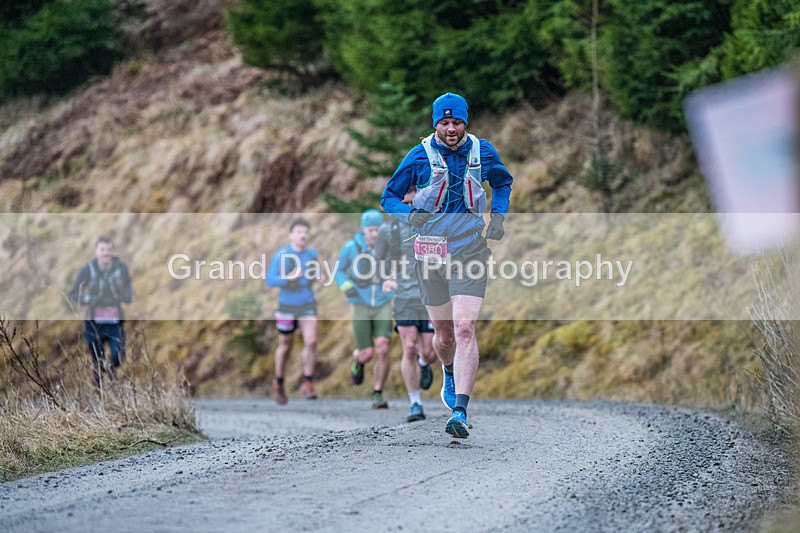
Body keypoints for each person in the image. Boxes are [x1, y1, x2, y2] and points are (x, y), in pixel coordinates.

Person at [380, 92, 512, 438]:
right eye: (445, 122)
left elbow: (502, 182)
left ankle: (460, 411)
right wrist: (410, 214)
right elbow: (388, 196)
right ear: (435, 123)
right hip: (430, 254)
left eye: (456, 122)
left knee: (466, 326)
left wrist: (498, 216)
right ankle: (448, 371)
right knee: (443, 336)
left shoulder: (482, 151)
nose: (451, 129)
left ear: (465, 123)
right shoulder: (419, 155)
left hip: (470, 249)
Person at [375, 188, 437, 423]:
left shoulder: (432, 221)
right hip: (403, 296)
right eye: (406, 195)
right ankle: (415, 403)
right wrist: (385, 279)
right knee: (408, 347)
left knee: (430, 350)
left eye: (414, 194)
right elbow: (378, 261)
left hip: (430, 294)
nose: (409, 199)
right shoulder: (388, 229)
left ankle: (424, 363)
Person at [335, 209, 394, 409]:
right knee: (366, 353)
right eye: (371, 230)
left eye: (378, 230)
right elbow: (339, 271)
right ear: (363, 230)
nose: (375, 234)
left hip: (383, 303)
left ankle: (378, 392)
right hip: (360, 304)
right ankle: (357, 360)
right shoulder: (351, 247)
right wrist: (347, 287)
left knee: (383, 348)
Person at [265, 218, 320, 405]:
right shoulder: (282, 255)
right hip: (287, 305)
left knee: (311, 341)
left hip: (307, 303)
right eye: (299, 231)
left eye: (305, 232)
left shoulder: (312, 254)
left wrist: (318, 275)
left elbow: (315, 274)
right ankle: (278, 382)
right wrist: (289, 278)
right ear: (291, 235)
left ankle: (308, 382)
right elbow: (270, 280)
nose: (303, 235)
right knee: (285, 346)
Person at [68, 236, 132, 390]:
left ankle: (111, 370)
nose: (105, 253)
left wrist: (121, 294)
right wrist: (87, 298)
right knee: (97, 360)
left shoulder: (121, 269)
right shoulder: (87, 269)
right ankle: (101, 394)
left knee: (117, 357)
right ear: (96, 251)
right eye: (102, 250)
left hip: (115, 322)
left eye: (108, 250)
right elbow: (73, 293)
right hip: (93, 323)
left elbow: (128, 295)